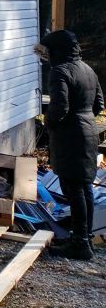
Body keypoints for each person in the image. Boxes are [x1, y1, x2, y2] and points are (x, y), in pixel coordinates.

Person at [41, 30, 104, 260]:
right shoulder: (88, 70)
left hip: (70, 136)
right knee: (84, 187)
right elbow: (98, 105)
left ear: (56, 50)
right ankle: (83, 238)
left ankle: (80, 244)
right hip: (89, 133)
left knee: (73, 188)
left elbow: (60, 108)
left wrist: (49, 123)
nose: (46, 56)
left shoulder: (60, 72)